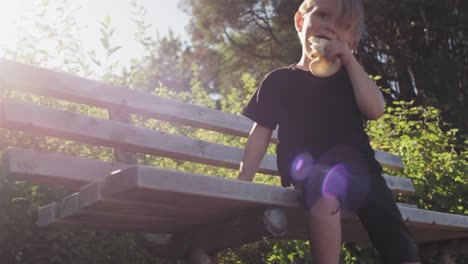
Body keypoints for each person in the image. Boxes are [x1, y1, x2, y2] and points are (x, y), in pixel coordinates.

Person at [237, 0, 421, 263]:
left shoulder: (350, 79)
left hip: (362, 172)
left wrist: (350, 62)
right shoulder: (279, 81)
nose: (330, 27)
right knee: (325, 194)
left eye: (343, 27)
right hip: (312, 169)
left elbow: (376, 109)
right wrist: (243, 184)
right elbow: (260, 133)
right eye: (323, 15)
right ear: (300, 22)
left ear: (352, 44)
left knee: (396, 235)